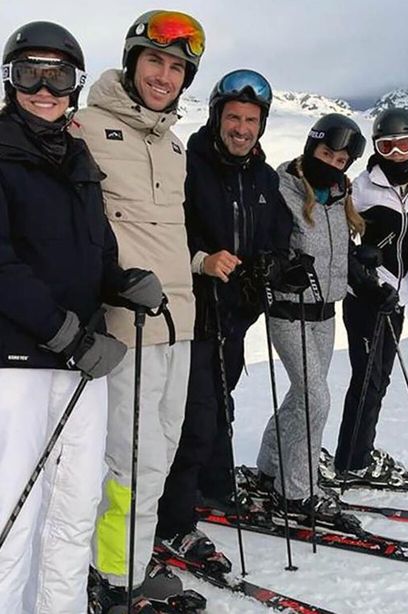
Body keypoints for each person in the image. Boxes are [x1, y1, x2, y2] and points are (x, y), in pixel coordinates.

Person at [0, 20, 162, 613]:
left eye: (59, 74)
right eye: (29, 72)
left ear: (75, 84)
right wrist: (64, 333)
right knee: (16, 515)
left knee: (74, 509)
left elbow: (94, 246)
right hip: (17, 366)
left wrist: (121, 283)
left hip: (82, 363)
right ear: (9, 80)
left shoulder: (76, 155)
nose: (45, 88)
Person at [69, 9, 206, 610]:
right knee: (129, 460)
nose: (164, 75)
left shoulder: (173, 144)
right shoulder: (86, 127)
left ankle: (129, 560)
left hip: (181, 322)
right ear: (132, 62)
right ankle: (113, 580)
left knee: (161, 455)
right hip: (130, 325)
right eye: (155, 60)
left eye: (177, 67)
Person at [155, 69, 292, 565]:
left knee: (219, 409)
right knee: (194, 418)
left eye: (251, 120)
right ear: (217, 118)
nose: (241, 128)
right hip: (190, 313)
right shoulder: (187, 164)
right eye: (233, 117)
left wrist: (274, 264)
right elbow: (167, 230)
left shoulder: (263, 177)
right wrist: (202, 260)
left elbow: (277, 235)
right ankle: (175, 520)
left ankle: (207, 491)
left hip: (235, 319)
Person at [254, 113, 370, 513]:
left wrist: (367, 279)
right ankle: (296, 490)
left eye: (341, 161)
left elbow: (340, 254)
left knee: (302, 396)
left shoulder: (339, 196)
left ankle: (270, 466)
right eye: (326, 154)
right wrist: (279, 268)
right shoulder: (282, 188)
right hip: (289, 311)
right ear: (311, 148)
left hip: (326, 314)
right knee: (316, 398)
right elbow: (264, 243)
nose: (333, 165)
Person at [332, 107, 408, 481]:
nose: (396, 152)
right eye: (387, 145)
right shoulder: (362, 186)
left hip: (399, 296)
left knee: (381, 377)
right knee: (366, 377)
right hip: (365, 295)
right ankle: (351, 461)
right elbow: (341, 233)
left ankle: (360, 454)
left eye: (404, 144)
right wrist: (362, 256)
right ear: (377, 148)